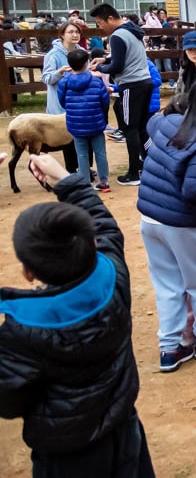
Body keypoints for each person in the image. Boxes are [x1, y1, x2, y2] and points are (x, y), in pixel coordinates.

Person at [1, 153, 155, 477]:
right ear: (91, 243)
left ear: (29, 272)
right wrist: (68, 181)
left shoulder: (21, 333)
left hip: (66, 458)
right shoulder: (112, 279)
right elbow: (104, 224)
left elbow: (9, 400)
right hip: (125, 433)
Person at [138, 80, 196, 372]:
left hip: (150, 218)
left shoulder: (168, 122)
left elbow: (150, 128)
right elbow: (193, 191)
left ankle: (170, 348)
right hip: (180, 223)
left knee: (167, 285)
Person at [89, 3, 152, 186]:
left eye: (100, 22)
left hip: (131, 85)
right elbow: (124, 56)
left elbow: (117, 66)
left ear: (110, 18)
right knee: (141, 127)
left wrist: (100, 67)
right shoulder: (132, 30)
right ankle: (146, 164)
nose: (100, 27)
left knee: (129, 128)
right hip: (144, 83)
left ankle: (134, 172)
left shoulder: (116, 36)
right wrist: (106, 58)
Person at [58, 48, 111, 192]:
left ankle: (85, 183)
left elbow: (62, 102)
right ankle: (104, 181)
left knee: (81, 154)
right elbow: (104, 101)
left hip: (76, 124)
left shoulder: (64, 83)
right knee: (100, 152)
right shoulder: (96, 81)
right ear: (86, 63)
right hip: (95, 123)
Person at [42, 20, 84, 114]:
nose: (75, 35)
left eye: (77, 32)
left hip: (80, 101)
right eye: (70, 32)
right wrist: (59, 72)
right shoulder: (53, 54)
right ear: (62, 35)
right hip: (59, 104)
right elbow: (46, 78)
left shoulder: (82, 52)